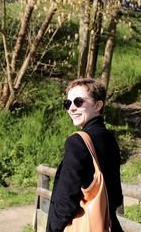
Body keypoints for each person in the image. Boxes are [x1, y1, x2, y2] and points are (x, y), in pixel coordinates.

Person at [46, 78, 124, 232]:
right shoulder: (109, 138)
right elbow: (115, 195)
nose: (71, 108)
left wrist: (53, 229)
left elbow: (66, 200)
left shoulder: (77, 142)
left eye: (78, 102)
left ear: (97, 105)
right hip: (108, 224)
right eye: (67, 104)